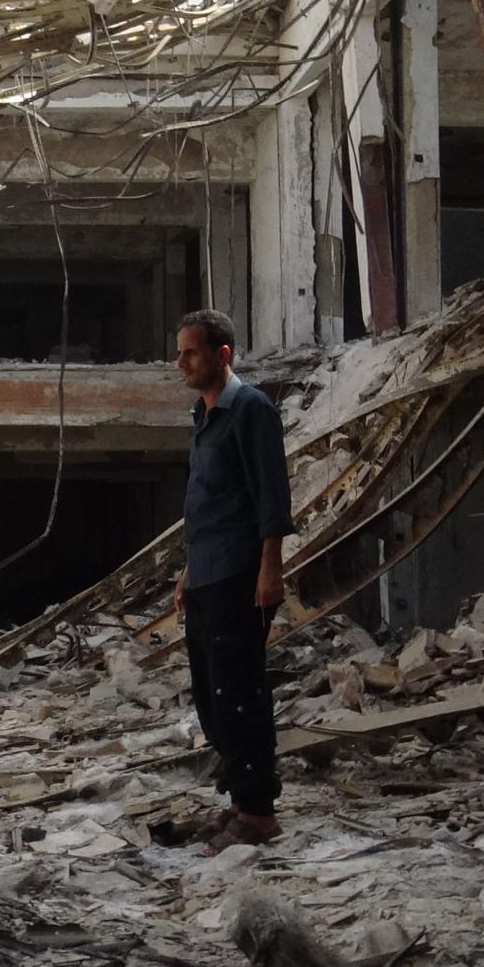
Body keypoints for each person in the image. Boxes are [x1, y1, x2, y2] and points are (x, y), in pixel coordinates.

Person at [172, 307, 294, 855]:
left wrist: (272, 569)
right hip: (207, 575)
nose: (180, 363)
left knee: (240, 693)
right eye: (178, 353)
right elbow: (207, 506)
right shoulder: (204, 416)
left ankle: (258, 813)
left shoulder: (251, 410)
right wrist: (187, 573)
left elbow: (271, 497)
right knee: (210, 696)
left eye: (190, 352)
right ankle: (239, 804)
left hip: (241, 576)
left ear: (222, 354)